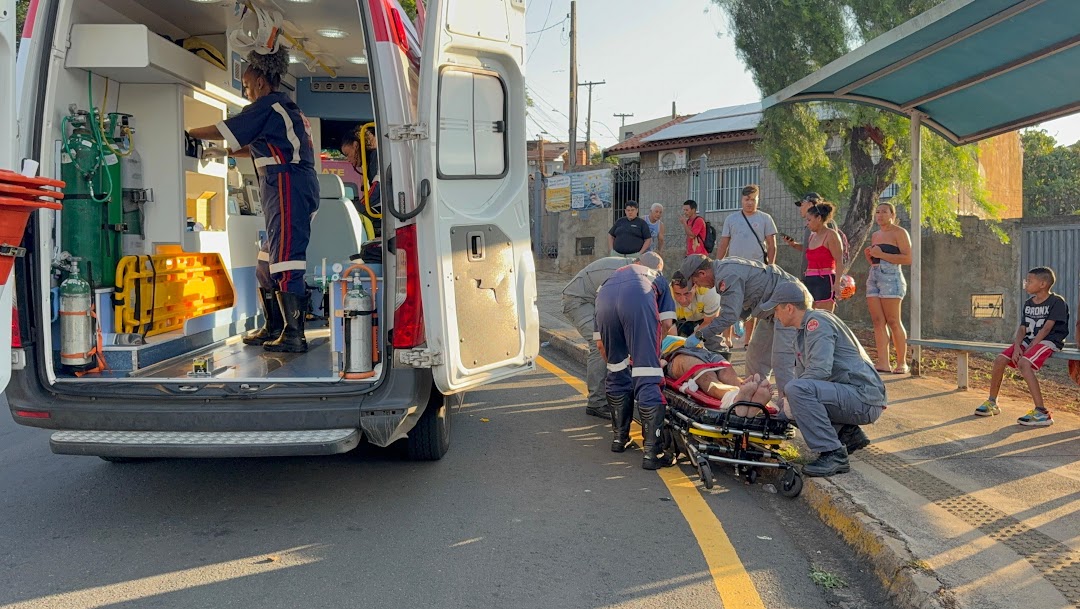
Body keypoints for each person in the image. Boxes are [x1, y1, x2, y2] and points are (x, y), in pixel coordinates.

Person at [188, 47, 318, 353]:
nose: (246, 92)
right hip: (287, 187)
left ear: (260, 81)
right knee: (265, 265)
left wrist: (187, 130)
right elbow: (261, 145)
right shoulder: (283, 111)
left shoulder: (269, 106)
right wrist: (225, 153)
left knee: (286, 262)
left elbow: (227, 129)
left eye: (246, 86)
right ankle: (274, 326)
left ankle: (294, 334)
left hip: (289, 187)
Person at [767, 283, 888, 477]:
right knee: (795, 396)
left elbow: (819, 370)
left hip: (863, 397)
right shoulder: (803, 330)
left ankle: (833, 453)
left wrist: (790, 400)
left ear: (789, 308)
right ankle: (847, 434)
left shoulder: (817, 323)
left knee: (796, 392)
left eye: (776, 309)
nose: (775, 315)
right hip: (855, 394)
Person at [678, 254, 810, 399]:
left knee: (782, 360)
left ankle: (789, 407)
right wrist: (739, 317)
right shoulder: (724, 270)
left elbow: (729, 316)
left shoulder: (726, 276)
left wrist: (700, 335)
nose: (699, 286)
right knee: (756, 356)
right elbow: (740, 306)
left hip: (789, 305)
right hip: (771, 311)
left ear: (702, 273)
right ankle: (756, 400)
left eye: (696, 282)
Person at [562, 252, 669, 419]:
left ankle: (619, 391)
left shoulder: (637, 273)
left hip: (598, 300)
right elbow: (606, 304)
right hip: (580, 301)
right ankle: (596, 403)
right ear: (638, 263)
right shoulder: (619, 273)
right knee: (601, 343)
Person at [594, 260, 677, 469]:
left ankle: (619, 439)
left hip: (604, 299)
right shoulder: (657, 277)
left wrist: (619, 363)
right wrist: (650, 355)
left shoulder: (608, 281)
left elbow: (601, 345)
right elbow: (667, 323)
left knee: (616, 370)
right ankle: (652, 452)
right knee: (648, 374)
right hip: (638, 297)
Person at [974, 267, 1070, 426]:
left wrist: (1031, 346)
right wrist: (1018, 345)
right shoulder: (1028, 303)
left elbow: (1047, 328)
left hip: (1048, 340)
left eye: (1030, 281)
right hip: (1029, 339)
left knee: (1024, 363)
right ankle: (992, 402)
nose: (1025, 284)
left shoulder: (1057, 302)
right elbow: (1023, 328)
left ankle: (1042, 412)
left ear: (1043, 284)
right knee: (999, 360)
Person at [660, 336, 770, 417]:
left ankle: (750, 400)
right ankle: (736, 399)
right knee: (705, 376)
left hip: (703, 351)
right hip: (676, 354)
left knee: (729, 375)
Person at [864, 202, 912, 374]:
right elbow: (875, 259)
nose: (880, 215)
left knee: (893, 320)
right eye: (877, 212)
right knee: (878, 321)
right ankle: (883, 362)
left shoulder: (899, 232)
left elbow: (908, 258)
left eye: (884, 212)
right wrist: (870, 256)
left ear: (892, 214)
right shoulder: (875, 235)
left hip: (891, 277)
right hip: (874, 275)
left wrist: (881, 254)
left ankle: (901, 362)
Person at [716, 184, 777, 265]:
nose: (750, 203)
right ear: (742, 199)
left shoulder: (766, 218)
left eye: (753, 199)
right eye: (747, 199)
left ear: (758, 200)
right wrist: (717, 264)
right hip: (735, 266)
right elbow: (723, 245)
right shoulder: (730, 219)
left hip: (758, 267)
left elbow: (772, 245)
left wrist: (771, 266)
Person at [802, 201, 845, 312]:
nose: (807, 223)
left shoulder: (831, 235)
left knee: (824, 318)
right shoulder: (812, 237)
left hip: (825, 281)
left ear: (819, 218)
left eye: (809, 220)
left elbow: (839, 261)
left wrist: (837, 283)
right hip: (810, 280)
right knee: (809, 318)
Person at [340, 127, 381, 219]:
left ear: (356, 145)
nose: (348, 160)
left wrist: (354, 208)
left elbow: (377, 189)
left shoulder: (376, 158)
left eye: (347, 154)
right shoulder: (371, 161)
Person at [668, 273, 721, 338]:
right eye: (678, 294)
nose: (683, 300)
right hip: (682, 321)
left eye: (687, 293)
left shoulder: (709, 292)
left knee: (713, 340)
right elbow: (668, 325)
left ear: (695, 286)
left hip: (705, 319)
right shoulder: (668, 295)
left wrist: (693, 339)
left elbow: (709, 322)